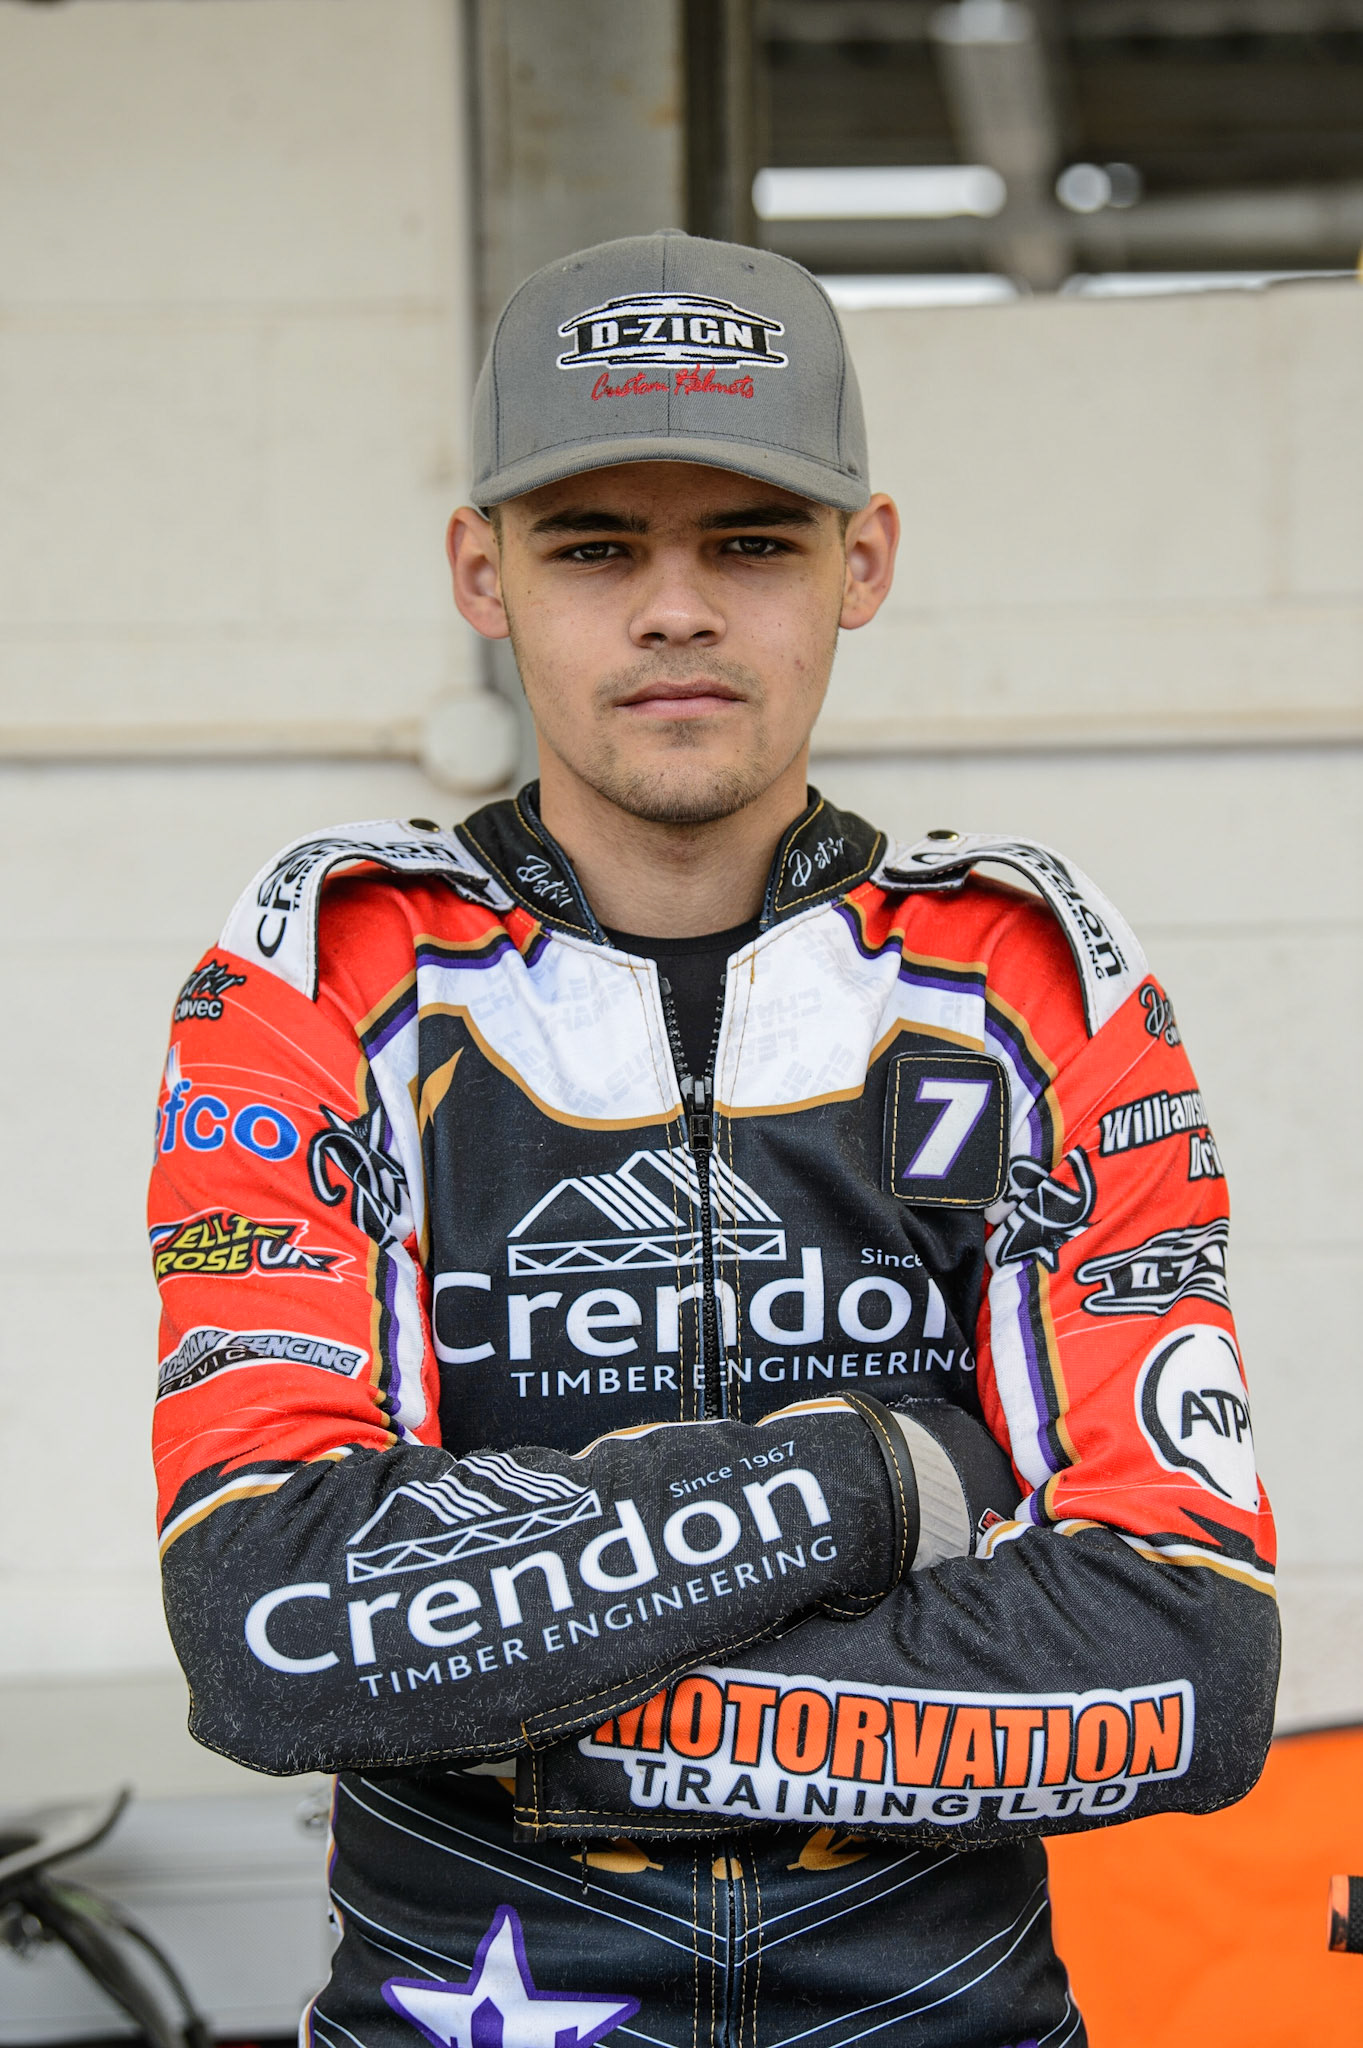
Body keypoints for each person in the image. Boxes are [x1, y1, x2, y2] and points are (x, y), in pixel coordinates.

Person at [149, 231, 1279, 2048]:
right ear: (481, 572)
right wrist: (884, 1483)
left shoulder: (1035, 981)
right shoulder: (321, 972)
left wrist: (478, 1673)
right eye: (597, 546)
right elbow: (271, 1632)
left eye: (748, 542)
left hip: (944, 2012)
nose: (675, 608)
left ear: (865, 562)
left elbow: (1189, 1669)